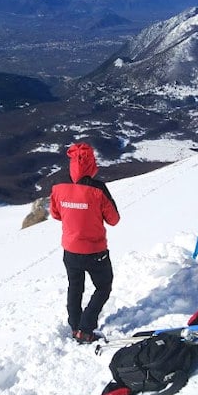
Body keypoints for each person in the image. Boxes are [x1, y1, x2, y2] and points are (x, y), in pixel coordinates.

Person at [50, 142, 120, 343]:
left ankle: (74, 326)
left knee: (75, 287)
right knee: (103, 287)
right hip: (95, 250)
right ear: (91, 163)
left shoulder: (58, 185)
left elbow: (55, 214)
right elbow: (114, 219)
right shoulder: (98, 189)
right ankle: (86, 328)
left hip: (70, 249)